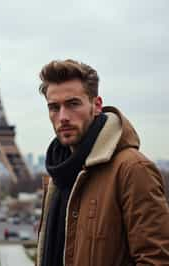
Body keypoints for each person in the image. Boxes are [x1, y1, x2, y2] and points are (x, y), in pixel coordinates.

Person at [36, 59, 169, 266]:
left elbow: (157, 260)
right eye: (54, 107)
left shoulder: (133, 169)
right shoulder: (59, 174)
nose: (63, 117)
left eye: (73, 104)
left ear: (96, 105)